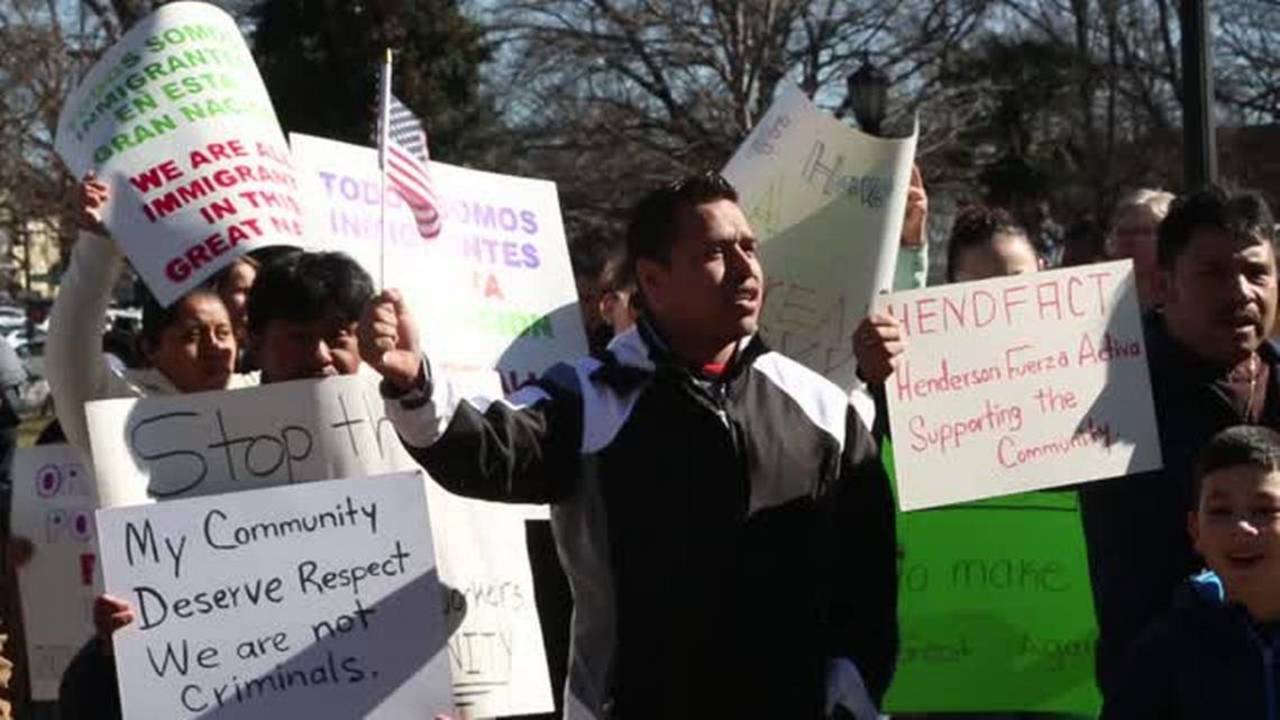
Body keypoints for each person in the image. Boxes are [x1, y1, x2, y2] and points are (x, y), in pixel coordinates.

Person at [361, 171, 899, 719]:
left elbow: (868, 570)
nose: (745, 269)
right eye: (714, 253)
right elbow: (491, 449)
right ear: (653, 280)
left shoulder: (820, 406)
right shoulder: (589, 396)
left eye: (749, 247)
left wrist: (854, 682)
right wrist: (413, 385)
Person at [1079, 186, 1280, 701]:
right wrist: (887, 372)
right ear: (1164, 284)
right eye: (1213, 274)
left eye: (1257, 273)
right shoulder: (1094, 395)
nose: (1241, 293)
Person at [46, 175, 260, 458]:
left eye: (223, 333)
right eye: (192, 336)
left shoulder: (262, 392)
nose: (215, 347)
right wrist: (100, 243)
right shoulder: (117, 401)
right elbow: (71, 341)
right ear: (150, 348)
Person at [1102, 425, 1280, 719]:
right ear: (1195, 530)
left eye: (1264, 511)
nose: (1241, 529)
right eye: (1221, 512)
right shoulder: (1162, 653)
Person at [1105, 188, 1175, 310]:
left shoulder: (1188, 299)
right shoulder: (1096, 299)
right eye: (1123, 232)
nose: (1128, 241)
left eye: (1143, 231)